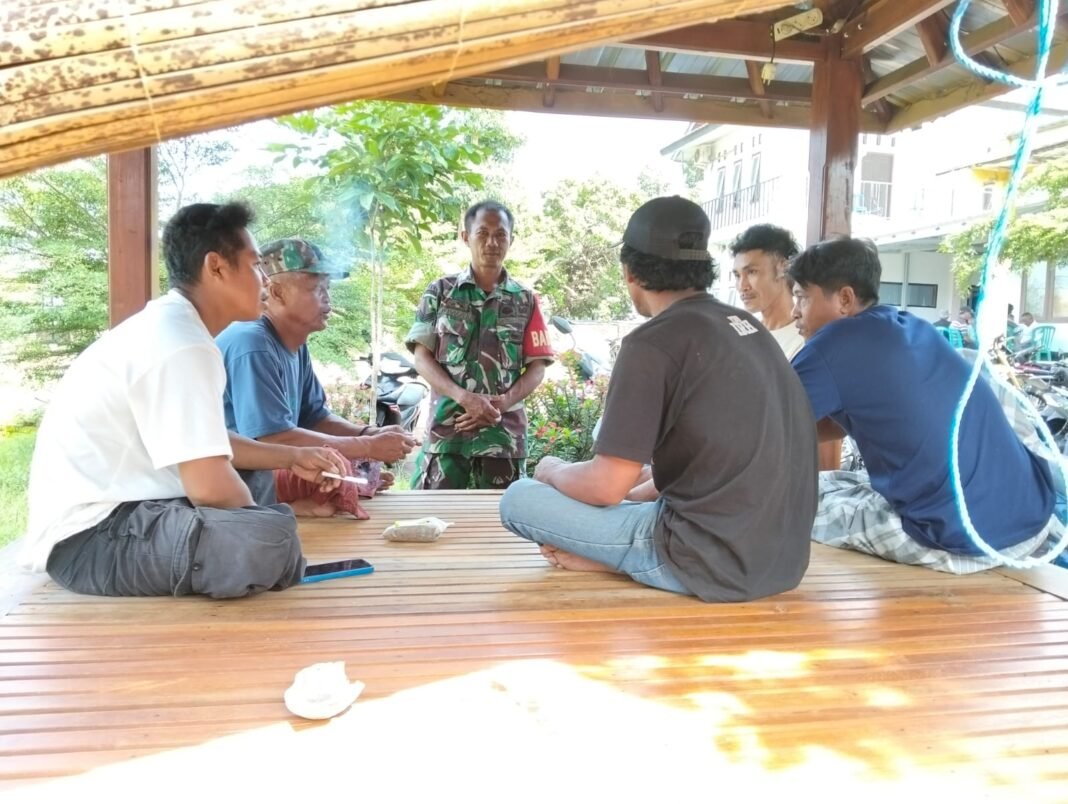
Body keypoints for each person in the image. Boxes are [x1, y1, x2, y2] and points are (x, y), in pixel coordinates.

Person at [19, 202, 351, 598]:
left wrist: (293, 458)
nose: (264, 281)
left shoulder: (175, 326)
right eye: (255, 266)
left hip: (130, 511)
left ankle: (265, 533)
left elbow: (212, 447)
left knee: (257, 479)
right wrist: (264, 528)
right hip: (91, 540)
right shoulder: (180, 343)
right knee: (269, 541)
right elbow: (209, 487)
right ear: (216, 267)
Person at [499, 196, 818, 603]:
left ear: (631, 271)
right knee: (630, 507)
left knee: (519, 498)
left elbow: (606, 487)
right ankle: (620, 555)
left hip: (706, 562)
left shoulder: (652, 342)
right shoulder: (748, 329)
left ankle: (632, 559)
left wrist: (553, 469)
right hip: (782, 561)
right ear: (703, 267)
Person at [789, 237, 1061, 573]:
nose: (794, 311)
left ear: (844, 298)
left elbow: (766, 427)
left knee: (790, 503)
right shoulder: (911, 325)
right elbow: (813, 422)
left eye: (801, 297)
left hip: (957, 539)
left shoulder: (830, 344)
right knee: (835, 482)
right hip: (1030, 523)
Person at [217, 237, 419, 517]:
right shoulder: (252, 344)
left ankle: (296, 505)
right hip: (232, 487)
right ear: (275, 292)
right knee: (342, 472)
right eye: (316, 288)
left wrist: (369, 434)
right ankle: (287, 508)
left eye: (328, 287)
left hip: (263, 477)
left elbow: (315, 417)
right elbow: (272, 441)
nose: (327, 298)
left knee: (350, 473)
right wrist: (368, 447)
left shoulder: (293, 344)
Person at [405, 200, 554, 490]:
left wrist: (502, 403)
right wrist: (465, 398)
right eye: (482, 233)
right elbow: (422, 358)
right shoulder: (441, 292)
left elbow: (538, 366)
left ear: (512, 239)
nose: (492, 243)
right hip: (449, 434)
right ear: (465, 237)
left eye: (500, 234)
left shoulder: (525, 300)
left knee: (501, 528)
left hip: (503, 440)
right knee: (435, 521)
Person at [729, 223, 805, 359]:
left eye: (752, 272)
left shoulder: (804, 338)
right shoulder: (743, 334)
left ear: (783, 268)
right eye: (737, 275)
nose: (742, 286)